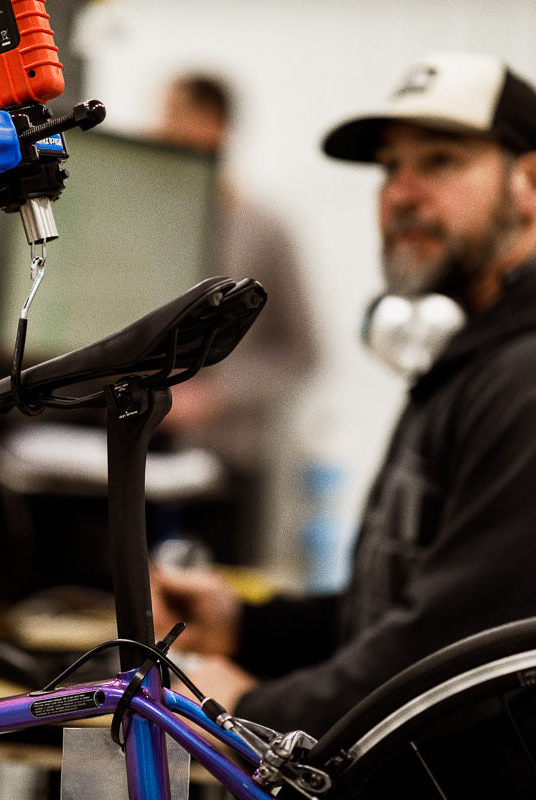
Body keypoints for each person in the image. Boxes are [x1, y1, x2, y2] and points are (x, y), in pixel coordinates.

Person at [153, 51, 536, 796]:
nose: (402, 193)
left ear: (533, 184)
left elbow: (457, 649)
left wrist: (256, 709)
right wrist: (246, 624)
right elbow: (410, 604)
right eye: (389, 168)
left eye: (439, 161)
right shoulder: (477, 362)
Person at [151, 74, 318, 565]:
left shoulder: (266, 231)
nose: (161, 130)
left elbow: (303, 352)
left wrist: (216, 396)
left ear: (216, 124)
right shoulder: (153, 227)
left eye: (176, 115)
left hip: (228, 465)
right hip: (150, 452)